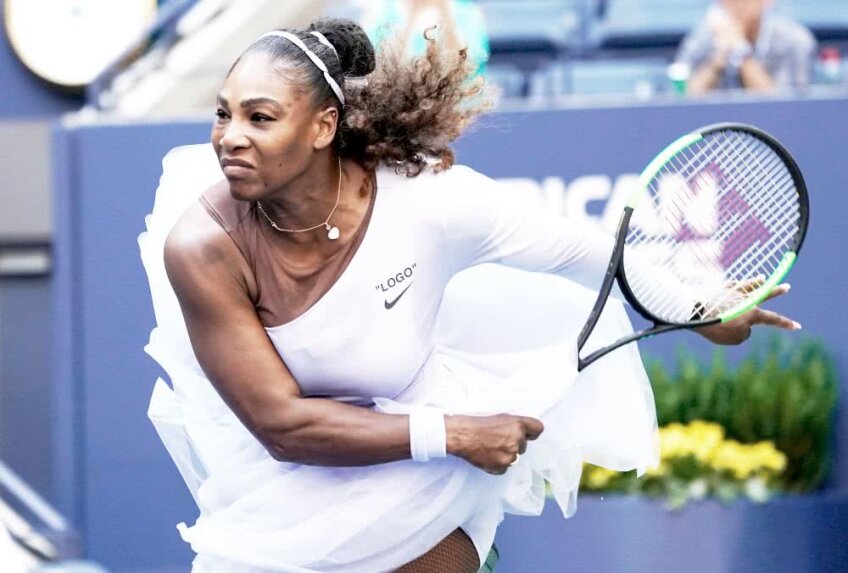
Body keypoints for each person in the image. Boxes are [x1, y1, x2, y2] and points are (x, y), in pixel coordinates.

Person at [139, 17, 798, 573]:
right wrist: (457, 433)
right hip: (285, 490)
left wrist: (697, 308)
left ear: (322, 126)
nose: (230, 136)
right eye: (223, 114)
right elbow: (284, 426)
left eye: (260, 117)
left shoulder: (428, 202)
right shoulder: (201, 246)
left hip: (413, 482)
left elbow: (582, 251)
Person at [675, 0, 816, 94]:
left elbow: (788, 110)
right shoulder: (703, 37)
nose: (735, 6)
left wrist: (741, 52)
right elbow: (683, 100)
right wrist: (716, 63)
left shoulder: (795, 41)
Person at [363, 0, 489, 77]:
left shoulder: (468, 13)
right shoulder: (382, 12)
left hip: (455, 109)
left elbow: (467, 69)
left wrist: (444, 10)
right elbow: (381, 72)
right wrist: (411, 16)